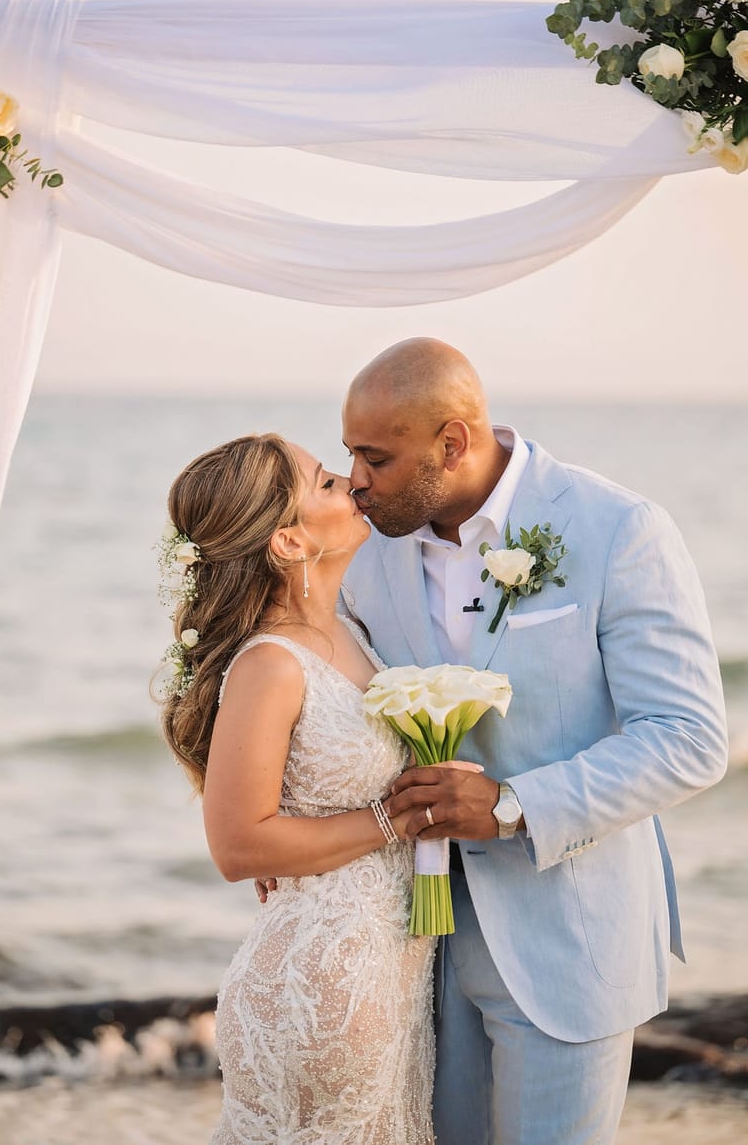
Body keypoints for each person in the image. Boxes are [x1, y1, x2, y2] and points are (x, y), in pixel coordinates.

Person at [339, 337, 729, 1145]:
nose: (355, 481)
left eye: (375, 457)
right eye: (349, 455)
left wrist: (514, 805)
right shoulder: (366, 552)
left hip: (569, 943)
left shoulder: (618, 529)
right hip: (418, 953)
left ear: (452, 443)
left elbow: (689, 738)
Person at [157, 433, 438, 1145]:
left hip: (384, 967)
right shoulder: (272, 663)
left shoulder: (350, 633)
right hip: (318, 988)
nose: (350, 482)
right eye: (323, 483)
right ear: (287, 541)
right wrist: (390, 821)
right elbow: (239, 844)